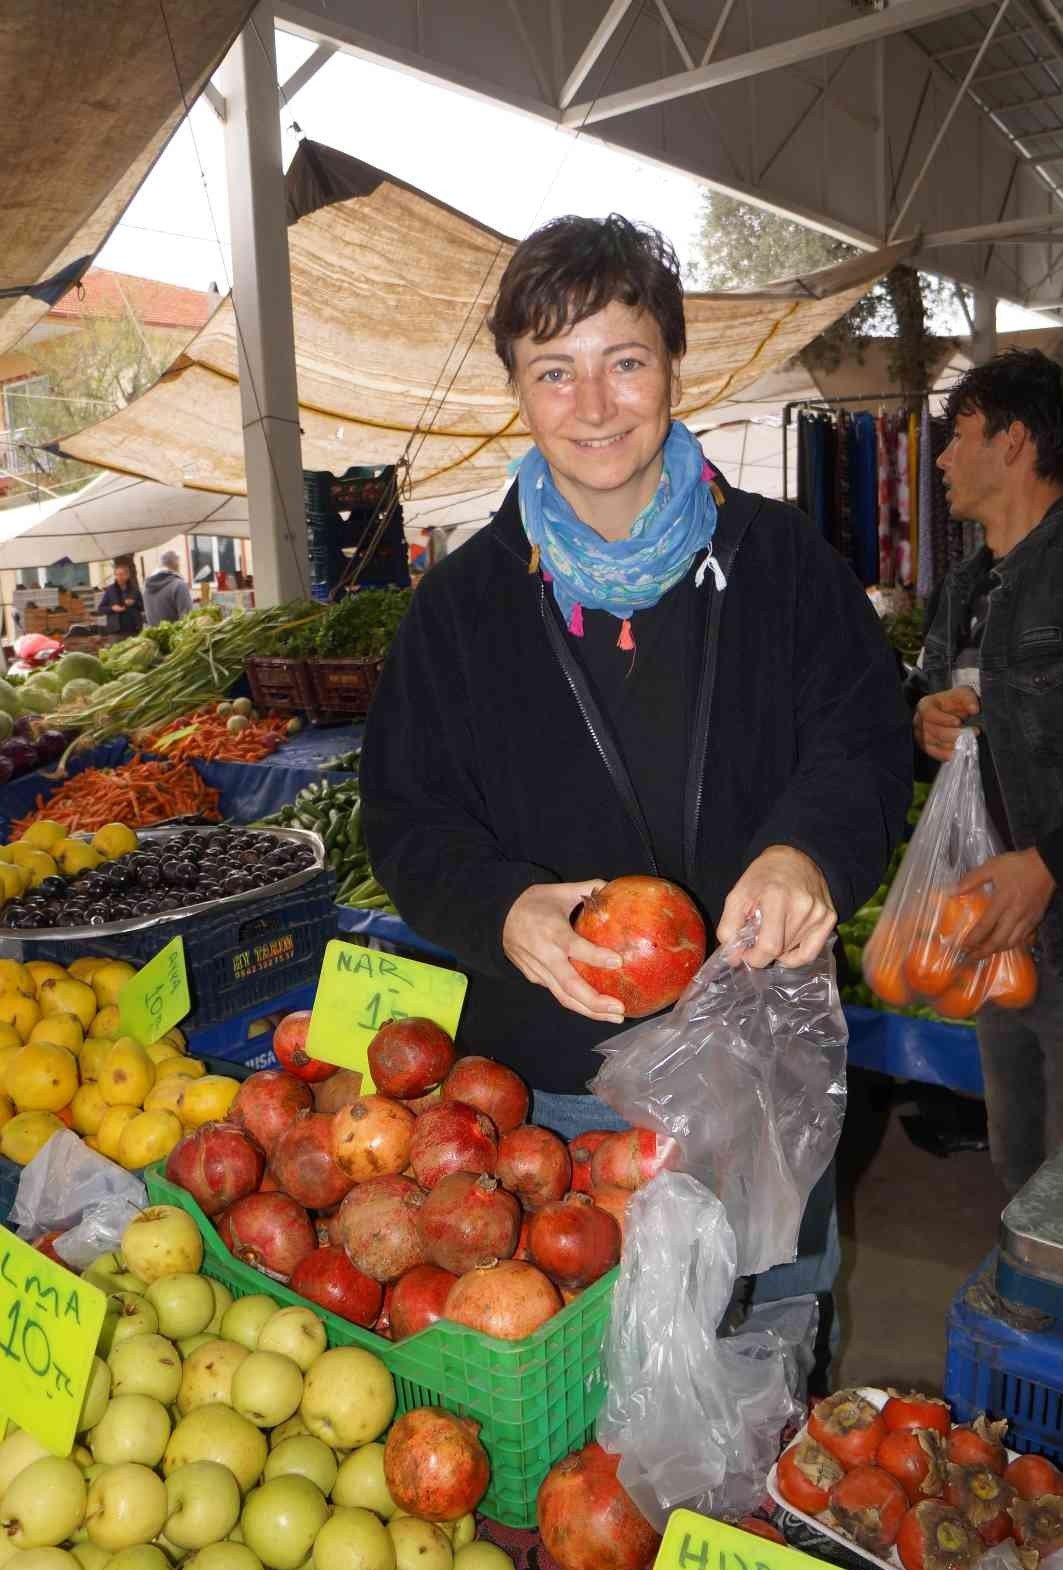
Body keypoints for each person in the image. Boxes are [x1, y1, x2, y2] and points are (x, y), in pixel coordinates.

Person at [360, 214, 912, 1312]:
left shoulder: (783, 564)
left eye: (624, 361)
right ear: (516, 386)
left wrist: (806, 851)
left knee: (768, 1335)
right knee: (589, 1409)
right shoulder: (461, 609)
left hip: (755, 1066)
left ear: (670, 362)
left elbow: (865, 739)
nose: (596, 405)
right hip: (553, 1092)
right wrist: (501, 905)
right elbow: (407, 816)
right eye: (555, 372)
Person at [910, 348, 1063, 1197]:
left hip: (1051, 903)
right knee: (1018, 1168)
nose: (938, 459)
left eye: (956, 434)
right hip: (995, 930)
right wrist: (924, 722)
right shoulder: (965, 585)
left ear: (1012, 442)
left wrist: (1047, 864)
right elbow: (936, 711)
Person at [95, 557, 143, 638]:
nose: (119, 577)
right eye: (117, 574)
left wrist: (133, 603)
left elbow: (143, 606)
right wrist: (112, 608)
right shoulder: (110, 590)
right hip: (115, 631)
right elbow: (101, 608)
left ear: (127, 575)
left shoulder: (135, 589)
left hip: (133, 629)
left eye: (121, 574)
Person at [143, 550, 193, 626]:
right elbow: (187, 618)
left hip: (152, 636)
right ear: (176, 564)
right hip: (175, 636)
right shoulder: (179, 585)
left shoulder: (147, 587)